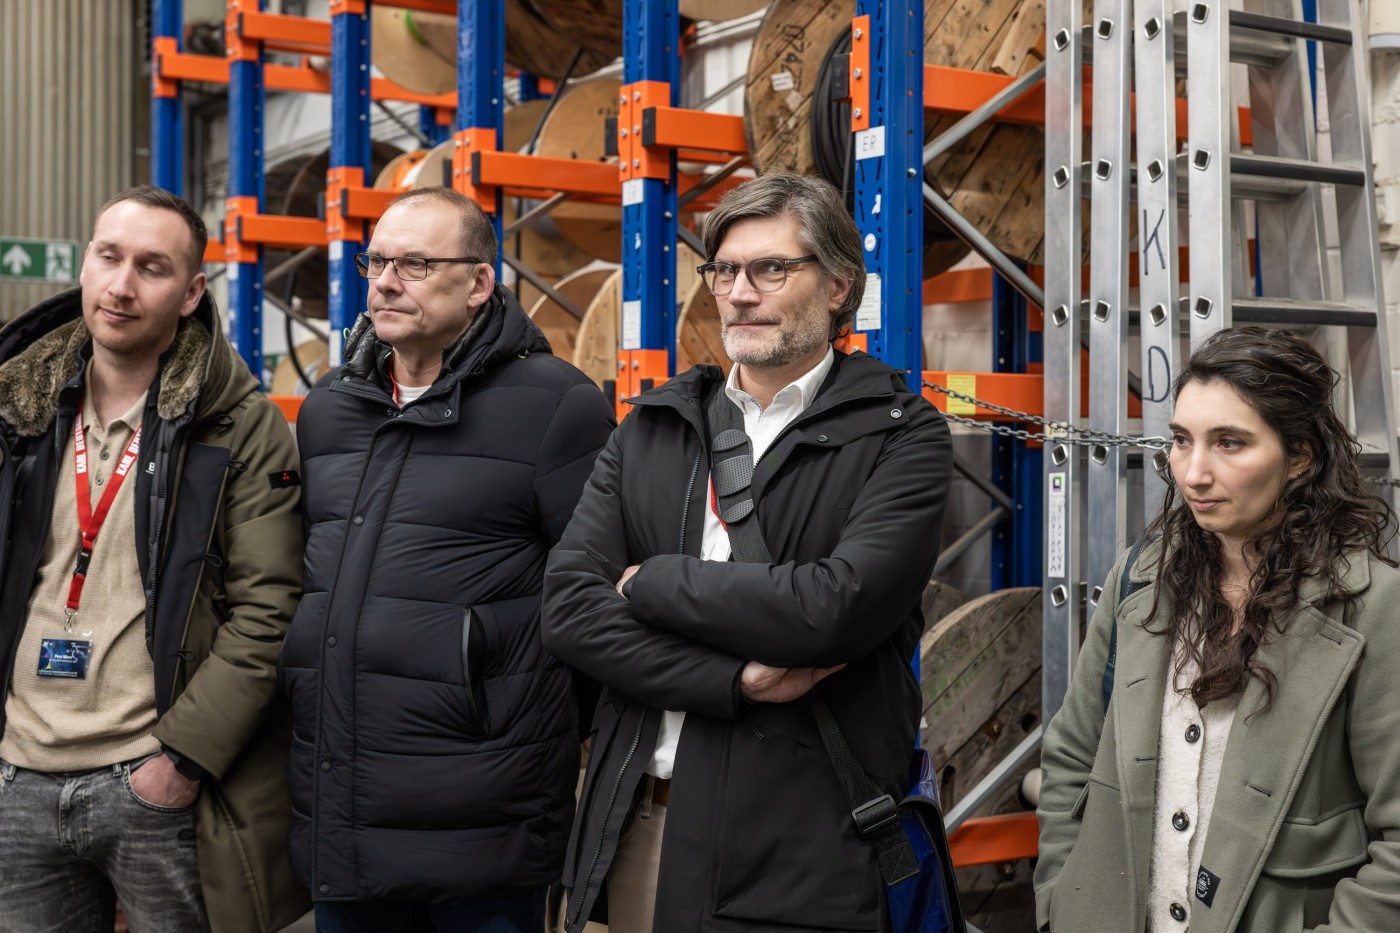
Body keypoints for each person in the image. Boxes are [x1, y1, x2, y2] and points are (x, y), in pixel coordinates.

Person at [541, 171, 954, 933]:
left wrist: (652, 581)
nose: (738, 293)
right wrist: (734, 679)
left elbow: (832, 607)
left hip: (803, 845)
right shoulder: (654, 427)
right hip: (643, 821)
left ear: (838, 286)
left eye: (770, 269)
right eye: (724, 270)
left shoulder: (900, 436)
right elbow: (568, 609)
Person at [279, 185, 615, 932]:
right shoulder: (331, 406)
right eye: (376, 262)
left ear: (479, 283)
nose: (386, 282)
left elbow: (597, 598)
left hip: (484, 817)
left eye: (417, 264)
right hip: (342, 802)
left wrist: (509, 712)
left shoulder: (556, 404)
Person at [0, 186, 308, 932]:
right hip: (18, 777)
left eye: (152, 267)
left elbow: (271, 607)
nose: (122, 286)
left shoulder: (239, 426)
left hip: (150, 784)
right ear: (85, 264)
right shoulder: (17, 410)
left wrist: (181, 762)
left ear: (192, 292)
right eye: (109, 258)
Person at [1035, 326, 1400, 932]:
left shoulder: (1373, 607)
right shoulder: (1141, 577)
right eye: (1182, 440)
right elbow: (1071, 753)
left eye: (1229, 443)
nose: (1194, 473)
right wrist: (1059, 902)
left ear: (1300, 457)